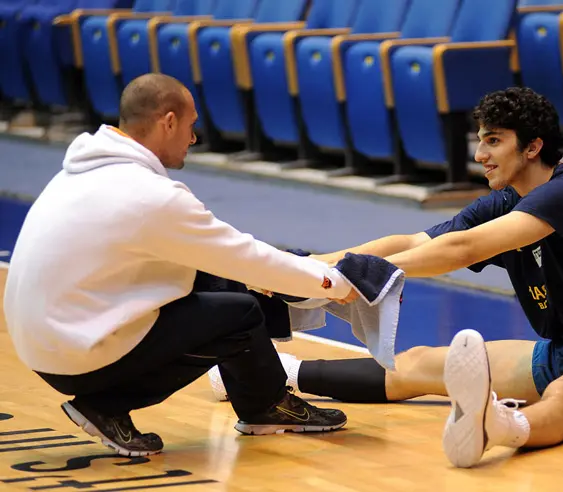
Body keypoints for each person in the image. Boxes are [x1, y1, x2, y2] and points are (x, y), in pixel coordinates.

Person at [232, 87, 563, 468]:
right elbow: (413, 242)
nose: (480, 154)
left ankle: (500, 426)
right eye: (480, 141)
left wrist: (354, 276)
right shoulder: (505, 199)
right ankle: (278, 374)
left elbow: (464, 248)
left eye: (493, 141)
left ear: (532, 147)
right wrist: (312, 267)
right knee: (415, 364)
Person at [3, 73, 357, 458]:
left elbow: (227, 262)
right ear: (168, 122)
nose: (193, 138)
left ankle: (266, 404)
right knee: (237, 313)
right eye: (190, 126)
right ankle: (107, 405)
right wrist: (333, 284)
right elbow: (245, 256)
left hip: (43, 341)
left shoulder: (81, 170)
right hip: (74, 353)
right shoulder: (150, 195)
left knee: (223, 284)